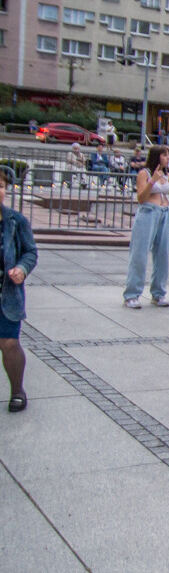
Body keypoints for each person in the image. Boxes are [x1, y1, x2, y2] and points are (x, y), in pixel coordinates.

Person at [0, 166, 38, 413]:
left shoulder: (16, 221)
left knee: (9, 343)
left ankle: (17, 390)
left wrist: (22, 269)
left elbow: (30, 252)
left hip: (7, 294)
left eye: (1, 186)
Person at [124, 147, 169, 309]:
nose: (167, 158)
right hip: (148, 212)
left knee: (163, 255)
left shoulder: (167, 175)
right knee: (139, 254)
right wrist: (152, 180)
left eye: (168, 155)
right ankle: (132, 294)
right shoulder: (144, 173)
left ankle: (158, 293)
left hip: (165, 213)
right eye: (164, 155)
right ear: (156, 156)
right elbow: (141, 198)